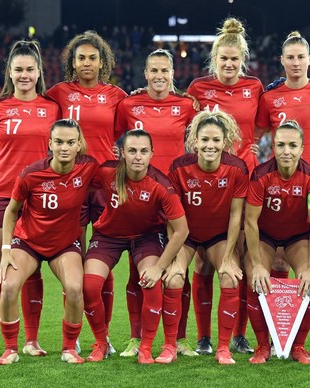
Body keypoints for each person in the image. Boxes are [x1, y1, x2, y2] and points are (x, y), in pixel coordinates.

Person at [0, 30, 127, 355]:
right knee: (77, 261)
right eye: (81, 58)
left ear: (102, 61)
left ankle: (101, 337)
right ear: (71, 62)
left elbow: (121, 131)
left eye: (93, 57)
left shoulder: (117, 95)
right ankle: (73, 339)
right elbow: (26, 98)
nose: (87, 63)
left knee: (100, 262)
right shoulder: (57, 94)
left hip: (101, 185)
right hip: (69, 186)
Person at [0, 40, 60, 359]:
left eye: (29, 69)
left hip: (37, 200)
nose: (24, 75)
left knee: (31, 270)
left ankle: (31, 340)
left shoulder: (53, 108)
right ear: (10, 71)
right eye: (18, 69)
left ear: (39, 72)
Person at [255, 31, 310, 357]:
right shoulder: (269, 98)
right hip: (282, 188)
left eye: (299, 57)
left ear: (309, 60)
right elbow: (254, 141)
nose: (294, 62)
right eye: (289, 57)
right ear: (282, 61)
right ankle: (280, 335)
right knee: (277, 259)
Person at [187, 16, 263, 355]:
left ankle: (238, 334)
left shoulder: (256, 87)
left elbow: (262, 125)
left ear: (242, 60)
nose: (229, 64)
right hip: (207, 182)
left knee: (243, 257)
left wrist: (256, 145)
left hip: (245, 178)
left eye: (234, 59)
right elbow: (183, 126)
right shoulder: (198, 89)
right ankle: (204, 337)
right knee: (203, 260)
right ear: (214, 60)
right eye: (223, 59)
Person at [114, 49, 198, 357]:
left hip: (176, 194)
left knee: (179, 268)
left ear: (173, 73)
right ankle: (136, 337)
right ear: (145, 74)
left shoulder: (187, 105)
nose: (159, 75)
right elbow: (118, 145)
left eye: (165, 70)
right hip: (138, 196)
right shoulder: (129, 104)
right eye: (154, 70)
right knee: (138, 270)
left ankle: (180, 338)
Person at [0, 119, 100, 365]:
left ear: (79, 145)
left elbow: (116, 173)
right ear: (50, 144)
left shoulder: (88, 168)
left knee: (75, 289)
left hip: (64, 244)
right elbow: (12, 212)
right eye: (59, 142)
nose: (64, 147)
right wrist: (6, 250)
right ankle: (10, 349)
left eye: (70, 142)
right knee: (9, 287)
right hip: (29, 242)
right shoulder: (31, 174)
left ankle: (68, 348)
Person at [82, 129, 189, 364]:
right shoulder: (106, 173)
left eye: (143, 151)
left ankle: (146, 348)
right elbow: (81, 187)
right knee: (89, 285)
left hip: (146, 237)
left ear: (152, 153)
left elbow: (182, 230)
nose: (137, 156)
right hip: (108, 235)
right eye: (132, 151)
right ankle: (101, 343)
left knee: (150, 283)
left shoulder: (162, 186)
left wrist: (159, 267)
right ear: (122, 153)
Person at [166, 110, 247, 364]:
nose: (210, 145)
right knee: (174, 277)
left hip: (218, 236)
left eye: (215, 140)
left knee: (230, 277)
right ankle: (170, 345)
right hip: (186, 235)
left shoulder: (237, 168)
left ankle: (223, 347)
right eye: (204, 140)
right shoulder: (179, 167)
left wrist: (230, 257)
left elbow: (236, 216)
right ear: (195, 141)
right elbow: (172, 216)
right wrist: (173, 258)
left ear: (225, 143)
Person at [245, 120, 310, 364]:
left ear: (302, 148)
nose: (286, 151)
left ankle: (298, 346)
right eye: (280, 145)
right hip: (266, 237)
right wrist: (258, 264)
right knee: (254, 279)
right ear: (273, 147)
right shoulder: (260, 175)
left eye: (292, 145)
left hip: (297, 237)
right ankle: (262, 346)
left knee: (308, 282)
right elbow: (250, 223)